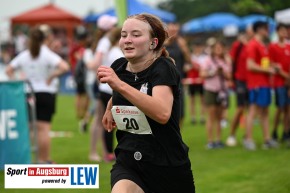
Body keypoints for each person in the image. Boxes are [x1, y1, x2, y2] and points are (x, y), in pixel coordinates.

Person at [97, 13, 195, 193]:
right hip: (129, 161)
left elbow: (162, 113)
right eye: (124, 34)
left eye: (136, 35)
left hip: (167, 166)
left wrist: (119, 85)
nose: (127, 40)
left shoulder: (163, 67)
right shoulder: (119, 66)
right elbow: (131, 86)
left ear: (153, 43)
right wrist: (111, 106)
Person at [6, 26, 70, 163]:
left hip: (27, 93)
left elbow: (9, 70)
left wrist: (17, 81)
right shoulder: (47, 54)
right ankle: (44, 160)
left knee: (30, 128)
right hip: (45, 93)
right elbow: (65, 67)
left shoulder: (24, 54)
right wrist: (52, 76)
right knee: (44, 129)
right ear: (45, 38)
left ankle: (30, 159)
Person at [243, 21, 278, 150]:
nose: (268, 31)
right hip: (256, 83)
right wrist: (268, 70)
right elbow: (250, 65)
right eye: (266, 28)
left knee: (265, 111)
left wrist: (272, 67)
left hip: (265, 83)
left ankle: (267, 139)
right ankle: (248, 139)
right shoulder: (253, 44)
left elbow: (263, 63)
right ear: (259, 29)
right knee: (253, 111)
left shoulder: (263, 45)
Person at [88, 14, 118, 162]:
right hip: (105, 86)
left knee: (99, 119)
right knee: (102, 120)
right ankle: (98, 152)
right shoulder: (105, 41)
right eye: (113, 25)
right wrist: (94, 69)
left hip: (102, 85)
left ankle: (98, 152)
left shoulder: (102, 41)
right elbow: (95, 63)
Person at [200, 39, 231, 149]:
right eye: (216, 48)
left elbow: (229, 77)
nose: (219, 50)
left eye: (221, 48)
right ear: (212, 49)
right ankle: (210, 141)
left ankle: (218, 140)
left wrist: (223, 72)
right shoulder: (208, 60)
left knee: (220, 116)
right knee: (211, 116)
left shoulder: (226, 60)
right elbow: (202, 74)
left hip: (222, 91)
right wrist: (213, 72)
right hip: (211, 90)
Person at [226, 27, 254, 147]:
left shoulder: (254, 45)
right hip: (240, 80)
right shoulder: (238, 45)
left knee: (251, 109)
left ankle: (247, 136)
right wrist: (231, 78)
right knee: (240, 108)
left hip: (252, 81)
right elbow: (230, 60)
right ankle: (232, 135)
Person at [165, 22, 192, 128]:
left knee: (180, 111)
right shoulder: (162, 43)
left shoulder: (181, 43)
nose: (173, 33)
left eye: (175, 31)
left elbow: (189, 61)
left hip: (178, 80)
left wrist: (184, 48)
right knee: (165, 110)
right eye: (171, 31)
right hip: (164, 80)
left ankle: (177, 135)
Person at [269, 23, 290, 143]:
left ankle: (286, 131)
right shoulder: (273, 47)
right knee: (280, 108)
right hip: (279, 82)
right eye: (282, 31)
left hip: (288, 81)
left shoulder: (288, 47)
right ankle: (275, 130)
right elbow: (272, 64)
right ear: (277, 32)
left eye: (285, 31)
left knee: (288, 108)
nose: (284, 33)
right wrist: (284, 75)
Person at [185, 41, 206, 124]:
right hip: (192, 81)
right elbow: (186, 68)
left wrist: (198, 67)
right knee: (192, 99)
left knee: (202, 99)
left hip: (201, 80)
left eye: (199, 47)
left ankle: (202, 116)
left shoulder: (204, 57)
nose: (198, 49)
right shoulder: (190, 57)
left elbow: (204, 68)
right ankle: (193, 117)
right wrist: (191, 66)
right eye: (196, 47)